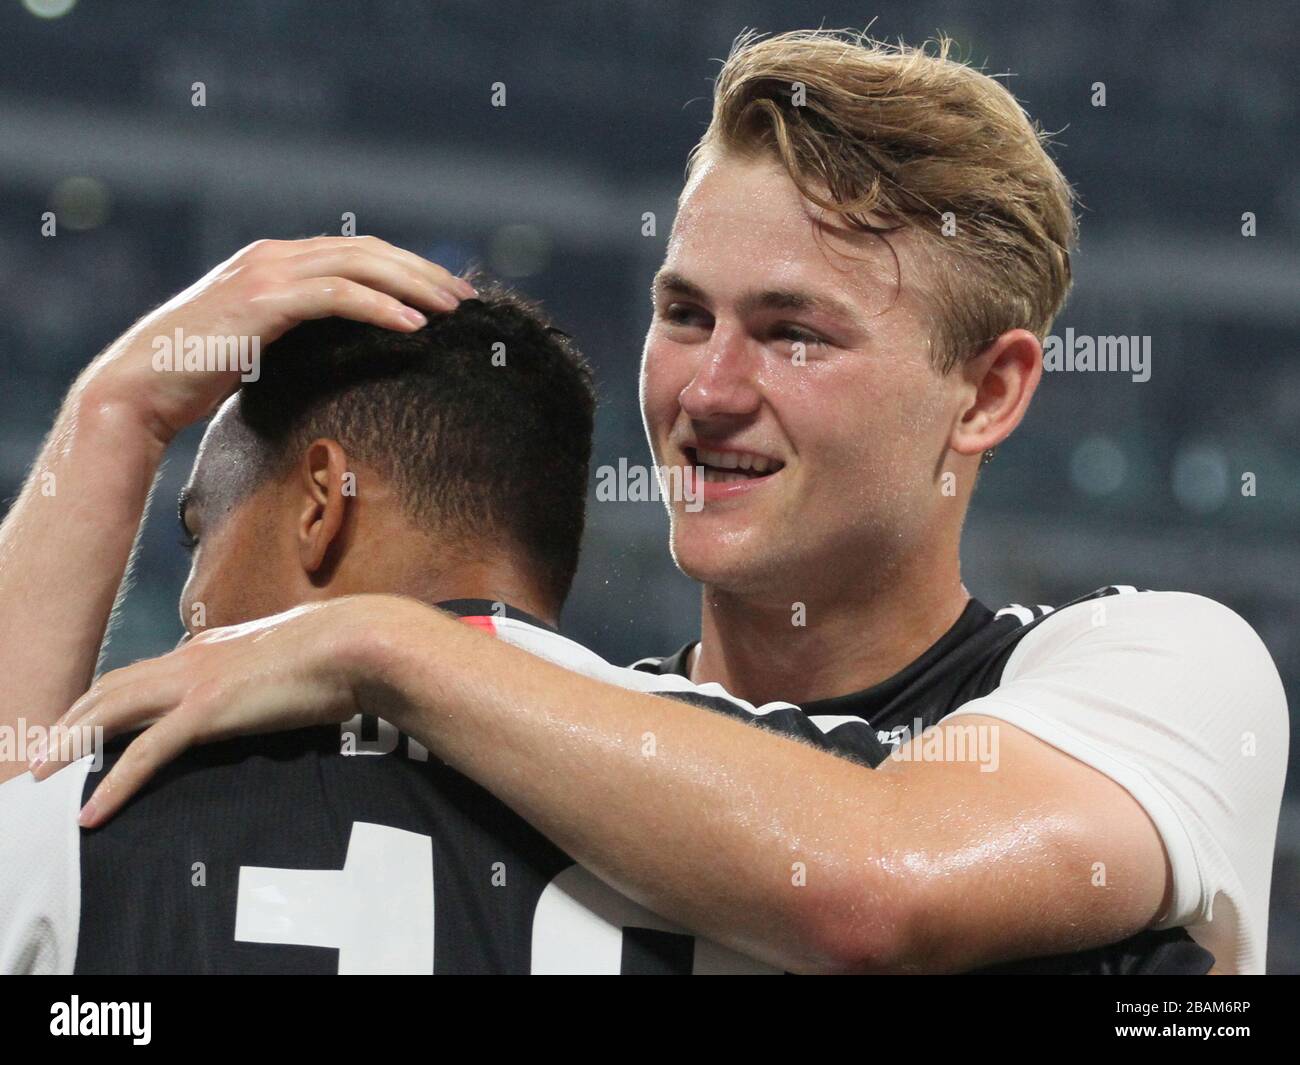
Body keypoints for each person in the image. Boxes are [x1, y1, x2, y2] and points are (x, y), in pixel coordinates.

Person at [28, 31, 1290, 974]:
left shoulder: (1164, 670)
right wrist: (109, 419)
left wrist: (377, 639)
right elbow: (25, 854)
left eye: (793, 334)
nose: (709, 388)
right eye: (683, 314)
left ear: (988, 392)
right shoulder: (527, 745)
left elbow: (874, 882)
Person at [0, 247, 882, 973]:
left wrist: (115, 407)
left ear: (321, 505)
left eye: (201, 533)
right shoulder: (810, 824)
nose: (194, 607)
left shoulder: (92, 815)